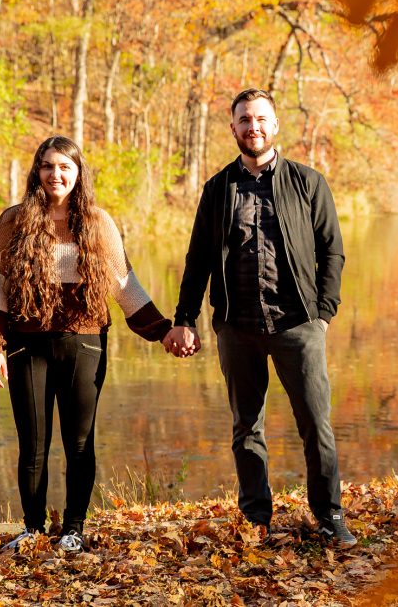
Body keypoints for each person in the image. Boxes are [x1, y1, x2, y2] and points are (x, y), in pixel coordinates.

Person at [163, 88, 356, 547]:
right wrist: (185, 318)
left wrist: (323, 313)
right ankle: (257, 520)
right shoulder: (217, 189)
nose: (254, 127)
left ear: (275, 125)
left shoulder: (307, 182)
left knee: (316, 424)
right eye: (245, 120)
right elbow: (198, 259)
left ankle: (329, 516)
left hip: (298, 325)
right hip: (238, 326)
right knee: (246, 426)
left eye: (261, 118)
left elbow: (332, 251)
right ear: (233, 128)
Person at [0, 135, 172, 552]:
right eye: (48, 166)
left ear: (78, 173)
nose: (56, 174)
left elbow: (125, 286)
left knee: (79, 442)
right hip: (26, 346)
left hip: (84, 344)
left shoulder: (98, 223)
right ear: (37, 171)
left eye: (65, 167)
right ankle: (32, 529)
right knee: (32, 444)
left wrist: (164, 331)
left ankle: (73, 530)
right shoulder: (13, 222)